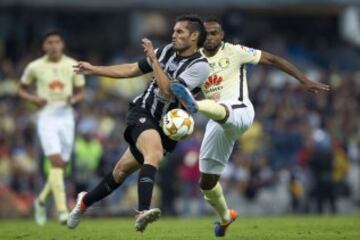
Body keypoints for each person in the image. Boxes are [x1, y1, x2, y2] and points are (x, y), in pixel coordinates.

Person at [170, 17, 330, 237]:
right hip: (217, 120)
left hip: (240, 111)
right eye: (207, 33)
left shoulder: (236, 51)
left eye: (215, 33)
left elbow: (273, 59)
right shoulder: (195, 62)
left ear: (222, 35)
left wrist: (303, 79)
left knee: (215, 107)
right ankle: (225, 217)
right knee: (206, 182)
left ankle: (195, 106)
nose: (211, 37)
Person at [67, 14, 211, 232]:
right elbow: (132, 69)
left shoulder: (201, 67)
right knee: (153, 152)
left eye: (180, 32)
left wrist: (154, 60)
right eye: (173, 31)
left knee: (120, 172)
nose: (174, 35)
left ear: (194, 36)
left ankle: (84, 201)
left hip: (167, 128)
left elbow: (168, 90)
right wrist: (94, 69)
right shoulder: (165, 51)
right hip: (143, 112)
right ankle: (143, 210)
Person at [18, 31, 85, 225]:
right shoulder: (34, 67)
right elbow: (21, 89)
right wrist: (33, 99)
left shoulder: (72, 64)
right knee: (55, 161)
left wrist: (73, 99)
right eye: (50, 42)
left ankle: (40, 202)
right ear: (44, 46)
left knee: (61, 167)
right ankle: (63, 210)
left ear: (62, 45)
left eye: (57, 42)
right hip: (46, 117)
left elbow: (81, 93)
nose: (54, 45)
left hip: (66, 117)